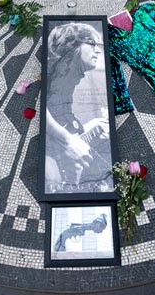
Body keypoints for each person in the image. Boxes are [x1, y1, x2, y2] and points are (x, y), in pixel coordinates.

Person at [44, 22, 111, 193]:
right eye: (92, 44)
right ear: (73, 46)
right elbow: (42, 105)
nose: (97, 50)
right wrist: (68, 140)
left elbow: (62, 120)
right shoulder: (57, 72)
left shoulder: (67, 76)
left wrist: (95, 125)